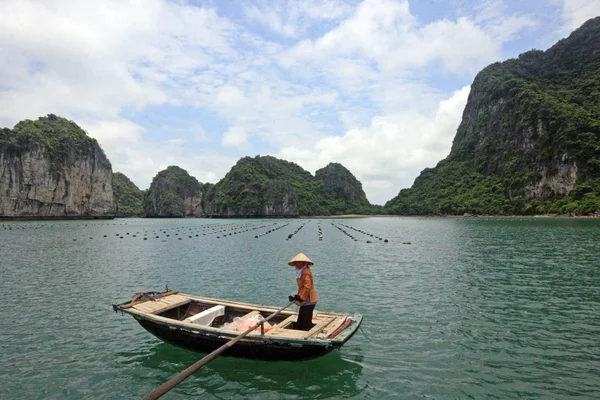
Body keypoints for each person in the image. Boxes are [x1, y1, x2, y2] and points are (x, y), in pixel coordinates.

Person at [287, 252, 318, 331]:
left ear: (304, 263)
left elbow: (307, 287)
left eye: (300, 262)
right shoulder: (300, 271)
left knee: (306, 320)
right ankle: (298, 331)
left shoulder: (306, 271)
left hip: (309, 299)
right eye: (297, 262)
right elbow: (301, 287)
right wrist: (296, 297)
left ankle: (306, 336)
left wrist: (301, 298)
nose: (298, 264)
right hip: (304, 298)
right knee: (301, 318)